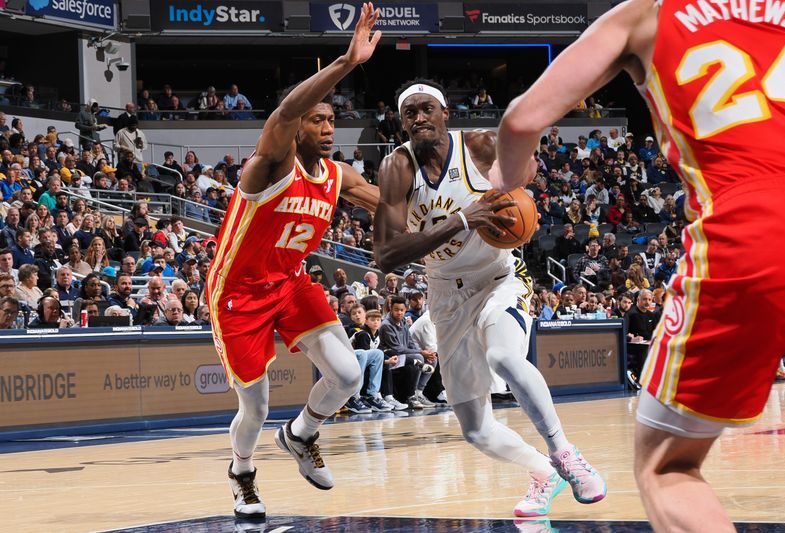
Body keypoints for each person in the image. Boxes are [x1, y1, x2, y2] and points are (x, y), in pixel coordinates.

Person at [493, 0, 785, 530]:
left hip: (757, 230)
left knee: (668, 465)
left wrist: (507, 180)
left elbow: (522, 119)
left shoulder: (646, 15)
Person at [373, 78, 606, 517]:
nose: (419, 118)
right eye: (410, 113)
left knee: (503, 357)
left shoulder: (478, 146)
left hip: (499, 276)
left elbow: (525, 169)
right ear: (400, 121)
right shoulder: (397, 168)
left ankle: (564, 453)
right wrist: (463, 218)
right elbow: (385, 254)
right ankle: (543, 473)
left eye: (428, 109)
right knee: (477, 430)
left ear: (446, 114)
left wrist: (518, 185)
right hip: (445, 294)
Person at [205, 5, 382, 520]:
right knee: (254, 407)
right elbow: (282, 114)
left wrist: (463, 210)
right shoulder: (269, 164)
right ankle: (241, 471)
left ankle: (302, 433)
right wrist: (347, 62)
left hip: (289, 283)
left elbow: (388, 204)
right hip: (237, 292)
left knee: (347, 375)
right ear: (299, 124)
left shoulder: (337, 175)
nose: (327, 127)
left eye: (332, 119)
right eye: (317, 119)